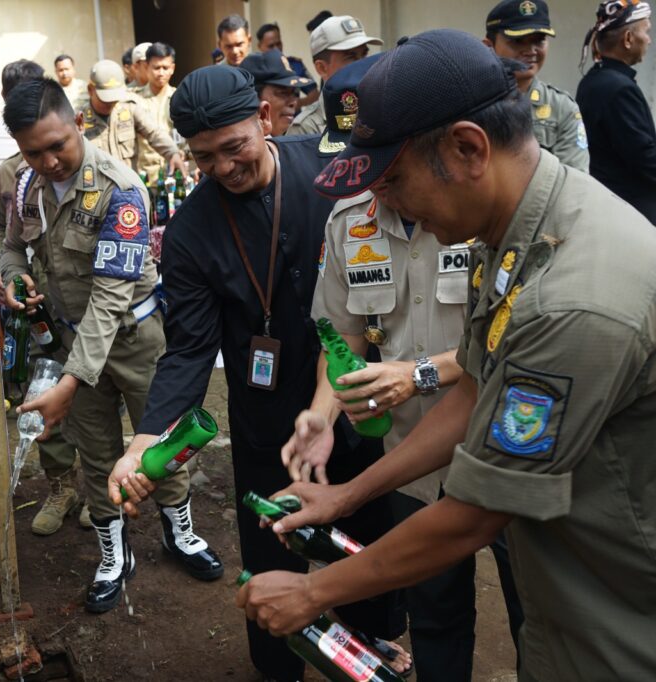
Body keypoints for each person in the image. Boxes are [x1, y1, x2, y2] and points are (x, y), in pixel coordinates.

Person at [238, 29, 656, 681]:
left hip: (614, 615)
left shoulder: (569, 297)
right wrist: (347, 495)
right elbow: (475, 391)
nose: (386, 204)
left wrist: (314, 592)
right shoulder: (518, 230)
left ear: (467, 148)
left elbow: (472, 515)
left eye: (394, 181)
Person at [107, 66, 406, 682]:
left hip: (353, 390)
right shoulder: (190, 232)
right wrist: (144, 441)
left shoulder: (330, 171)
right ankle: (277, 664)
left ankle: (372, 638)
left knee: (367, 526)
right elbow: (189, 350)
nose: (222, 168)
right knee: (272, 542)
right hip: (265, 411)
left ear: (265, 119)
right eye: (204, 157)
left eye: (234, 147)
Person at [303, 52, 525, 682]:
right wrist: (321, 416)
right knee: (434, 610)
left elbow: (509, 345)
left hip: (497, 443)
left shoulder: (487, 214)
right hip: (409, 456)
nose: (373, 186)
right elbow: (341, 334)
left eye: (386, 171)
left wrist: (418, 373)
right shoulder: (350, 220)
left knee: (530, 606)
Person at [0, 78, 222, 613]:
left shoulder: (119, 189)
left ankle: (179, 533)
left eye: (58, 145)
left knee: (161, 445)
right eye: (33, 152)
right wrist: (12, 278)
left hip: (134, 340)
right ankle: (114, 554)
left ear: (78, 123)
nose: (49, 161)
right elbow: (9, 247)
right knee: (96, 453)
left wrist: (70, 381)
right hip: (71, 341)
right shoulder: (26, 187)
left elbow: (109, 298)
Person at [0, 61, 91, 535]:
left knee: (96, 402)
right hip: (41, 313)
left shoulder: (82, 160)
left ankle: (100, 489)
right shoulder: (13, 174)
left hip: (89, 311)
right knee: (42, 394)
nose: (46, 159)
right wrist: (11, 276)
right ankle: (61, 486)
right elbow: (4, 235)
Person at [483, 0, 589, 171]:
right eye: (518, 41)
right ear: (489, 47)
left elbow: (575, 178)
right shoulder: (471, 101)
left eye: (539, 41)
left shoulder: (561, 108)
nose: (531, 51)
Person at [577, 0, 656, 223]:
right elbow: (644, 159)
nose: (649, 40)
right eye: (646, 32)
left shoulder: (593, 80)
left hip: (608, 206)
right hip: (633, 213)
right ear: (628, 39)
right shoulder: (619, 88)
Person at [80, 59, 187, 179]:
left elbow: (154, 133)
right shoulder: (79, 120)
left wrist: (173, 153)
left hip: (128, 184)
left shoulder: (129, 107)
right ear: (90, 90)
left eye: (115, 98)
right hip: (99, 187)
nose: (111, 104)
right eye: (105, 100)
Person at [287, 15, 382, 137]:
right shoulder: (306, 128)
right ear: (322, 68)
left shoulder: (381, 111)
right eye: (351, 57)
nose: (363, 64)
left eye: (364, 55)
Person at [136, 42, 183, 182]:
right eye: (156, 68)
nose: (161, 73)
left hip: (176, 176)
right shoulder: (134, 100)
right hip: (145, 177)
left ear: (172, 68)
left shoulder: (181, 98)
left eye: (165, 68)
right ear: (146, 67)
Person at [239, 49, 313, 136]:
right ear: (254, 98)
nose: (293, 102)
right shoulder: (238, 142)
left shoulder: (294, 138)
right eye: (283, 93)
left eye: (295, 93)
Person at [255, 22, 318, 107]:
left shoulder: (295, 65)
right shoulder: (254, 70)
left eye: (278, 44)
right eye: (271, 46)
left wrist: (299, 103)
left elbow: (315, 94)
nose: (276, 49)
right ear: (260, 46)